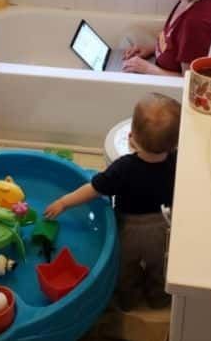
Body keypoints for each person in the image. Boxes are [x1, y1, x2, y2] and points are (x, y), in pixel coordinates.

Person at [44, 93, 181, 311]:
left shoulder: (123, 168)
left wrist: (63, 202)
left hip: (128, 228)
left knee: (125, 267)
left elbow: (93, 190)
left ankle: (127, 301)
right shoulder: (176, 160)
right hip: (162, 225)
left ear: (132, 136)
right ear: (174, 143)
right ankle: (158, 299)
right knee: (159, 266)